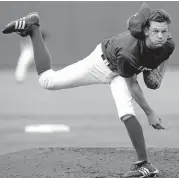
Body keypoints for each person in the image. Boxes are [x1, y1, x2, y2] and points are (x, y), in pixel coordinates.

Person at [2, 3, 175, 178]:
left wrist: (158, 73)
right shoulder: (128, 53)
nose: (161, 36)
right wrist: (150, 112)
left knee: (126, 111)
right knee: (47, 81)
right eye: (155, 31)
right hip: (101, 63)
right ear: (145, 31)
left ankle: (144, 165)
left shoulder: (168, 44)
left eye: (164, 31)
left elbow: (163, 51)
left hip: (121, 71)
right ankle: (33, 27)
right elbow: (133, 85)